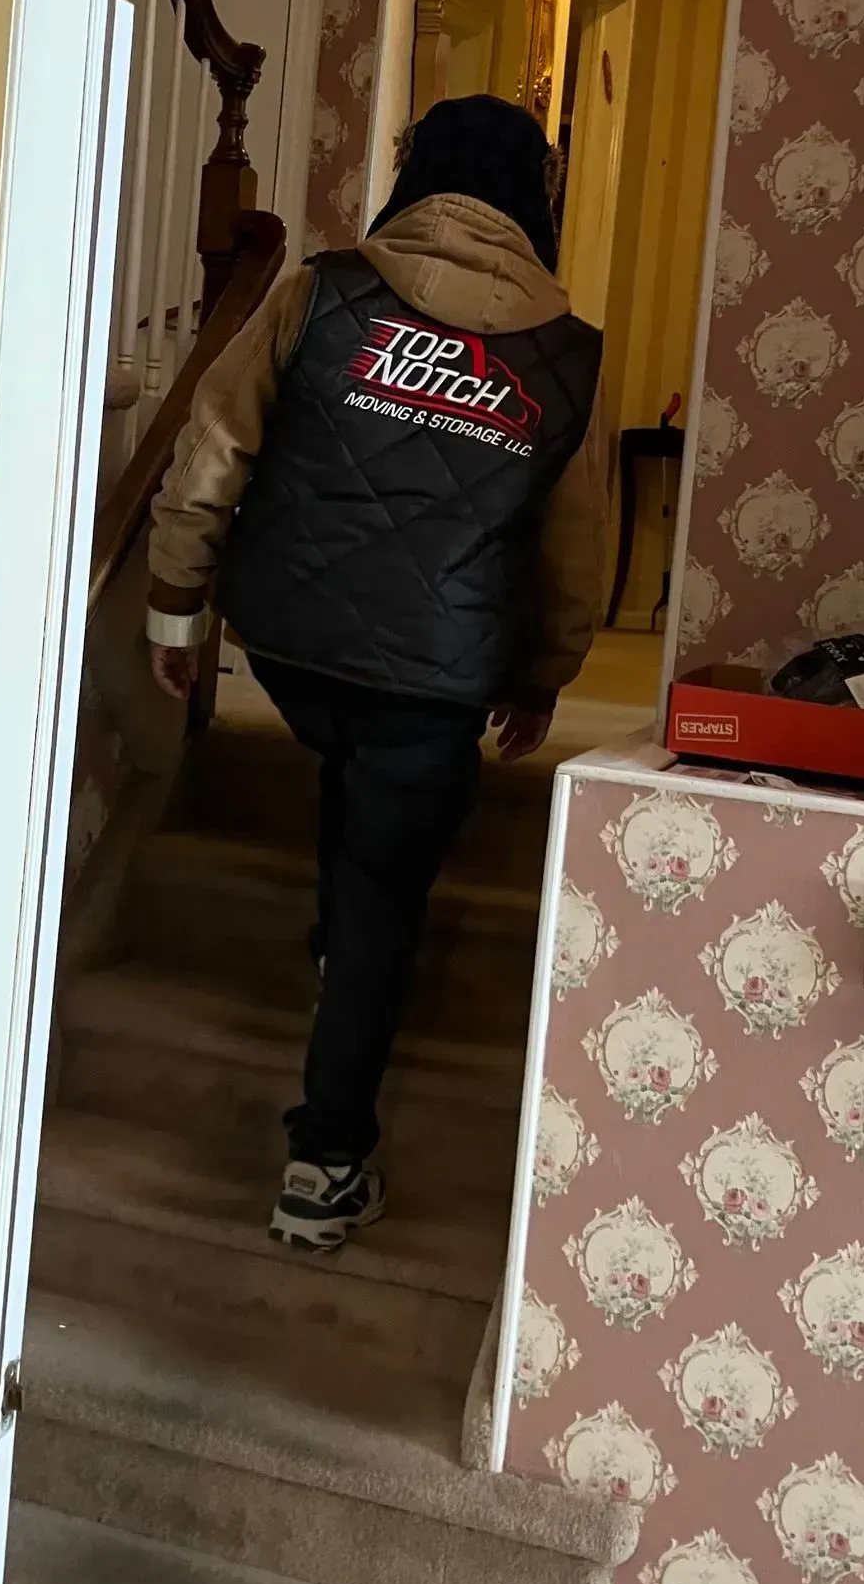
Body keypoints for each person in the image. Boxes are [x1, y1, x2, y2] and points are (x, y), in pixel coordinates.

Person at [145, 93, 606, 1253]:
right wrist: (546, 671)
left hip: (293, 641)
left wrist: (177, 599)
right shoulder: (568, 356)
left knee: (356, 784)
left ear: (418, 177)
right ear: (531, 203)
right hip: (437, 674)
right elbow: (577, 548)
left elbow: (216, 440)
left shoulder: (319, 289)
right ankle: (327, 1161)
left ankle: (331, 946)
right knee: (387, 884)